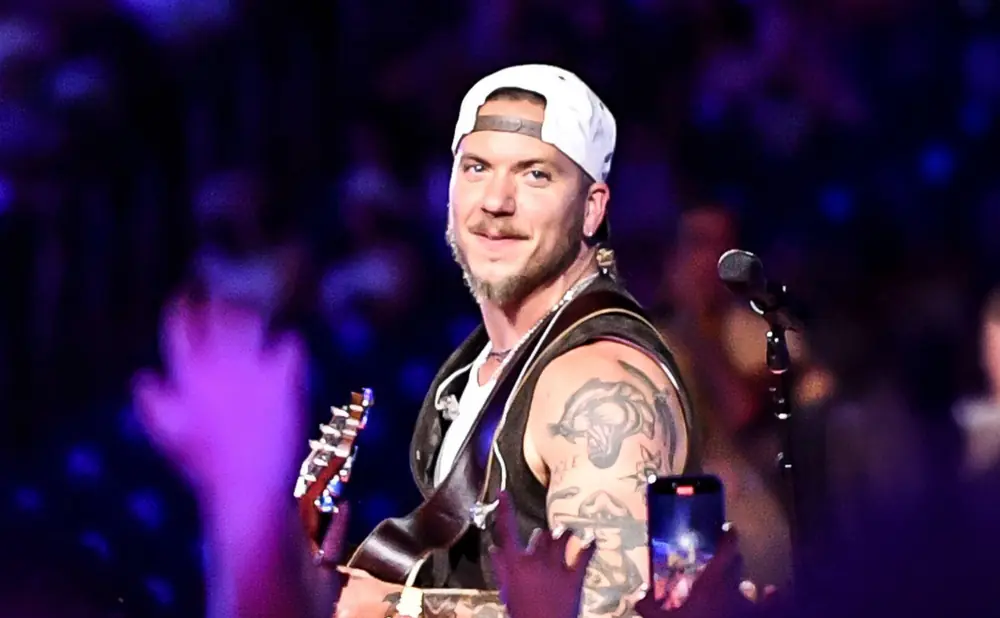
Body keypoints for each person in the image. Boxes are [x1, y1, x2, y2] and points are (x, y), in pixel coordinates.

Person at [334, 64, 700, 618]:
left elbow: (615, 612)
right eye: (477, 168)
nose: (496, 201)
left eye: (535, 175)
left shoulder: (597, 383)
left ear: (592, 208)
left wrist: (394, 610)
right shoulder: (482, 363)